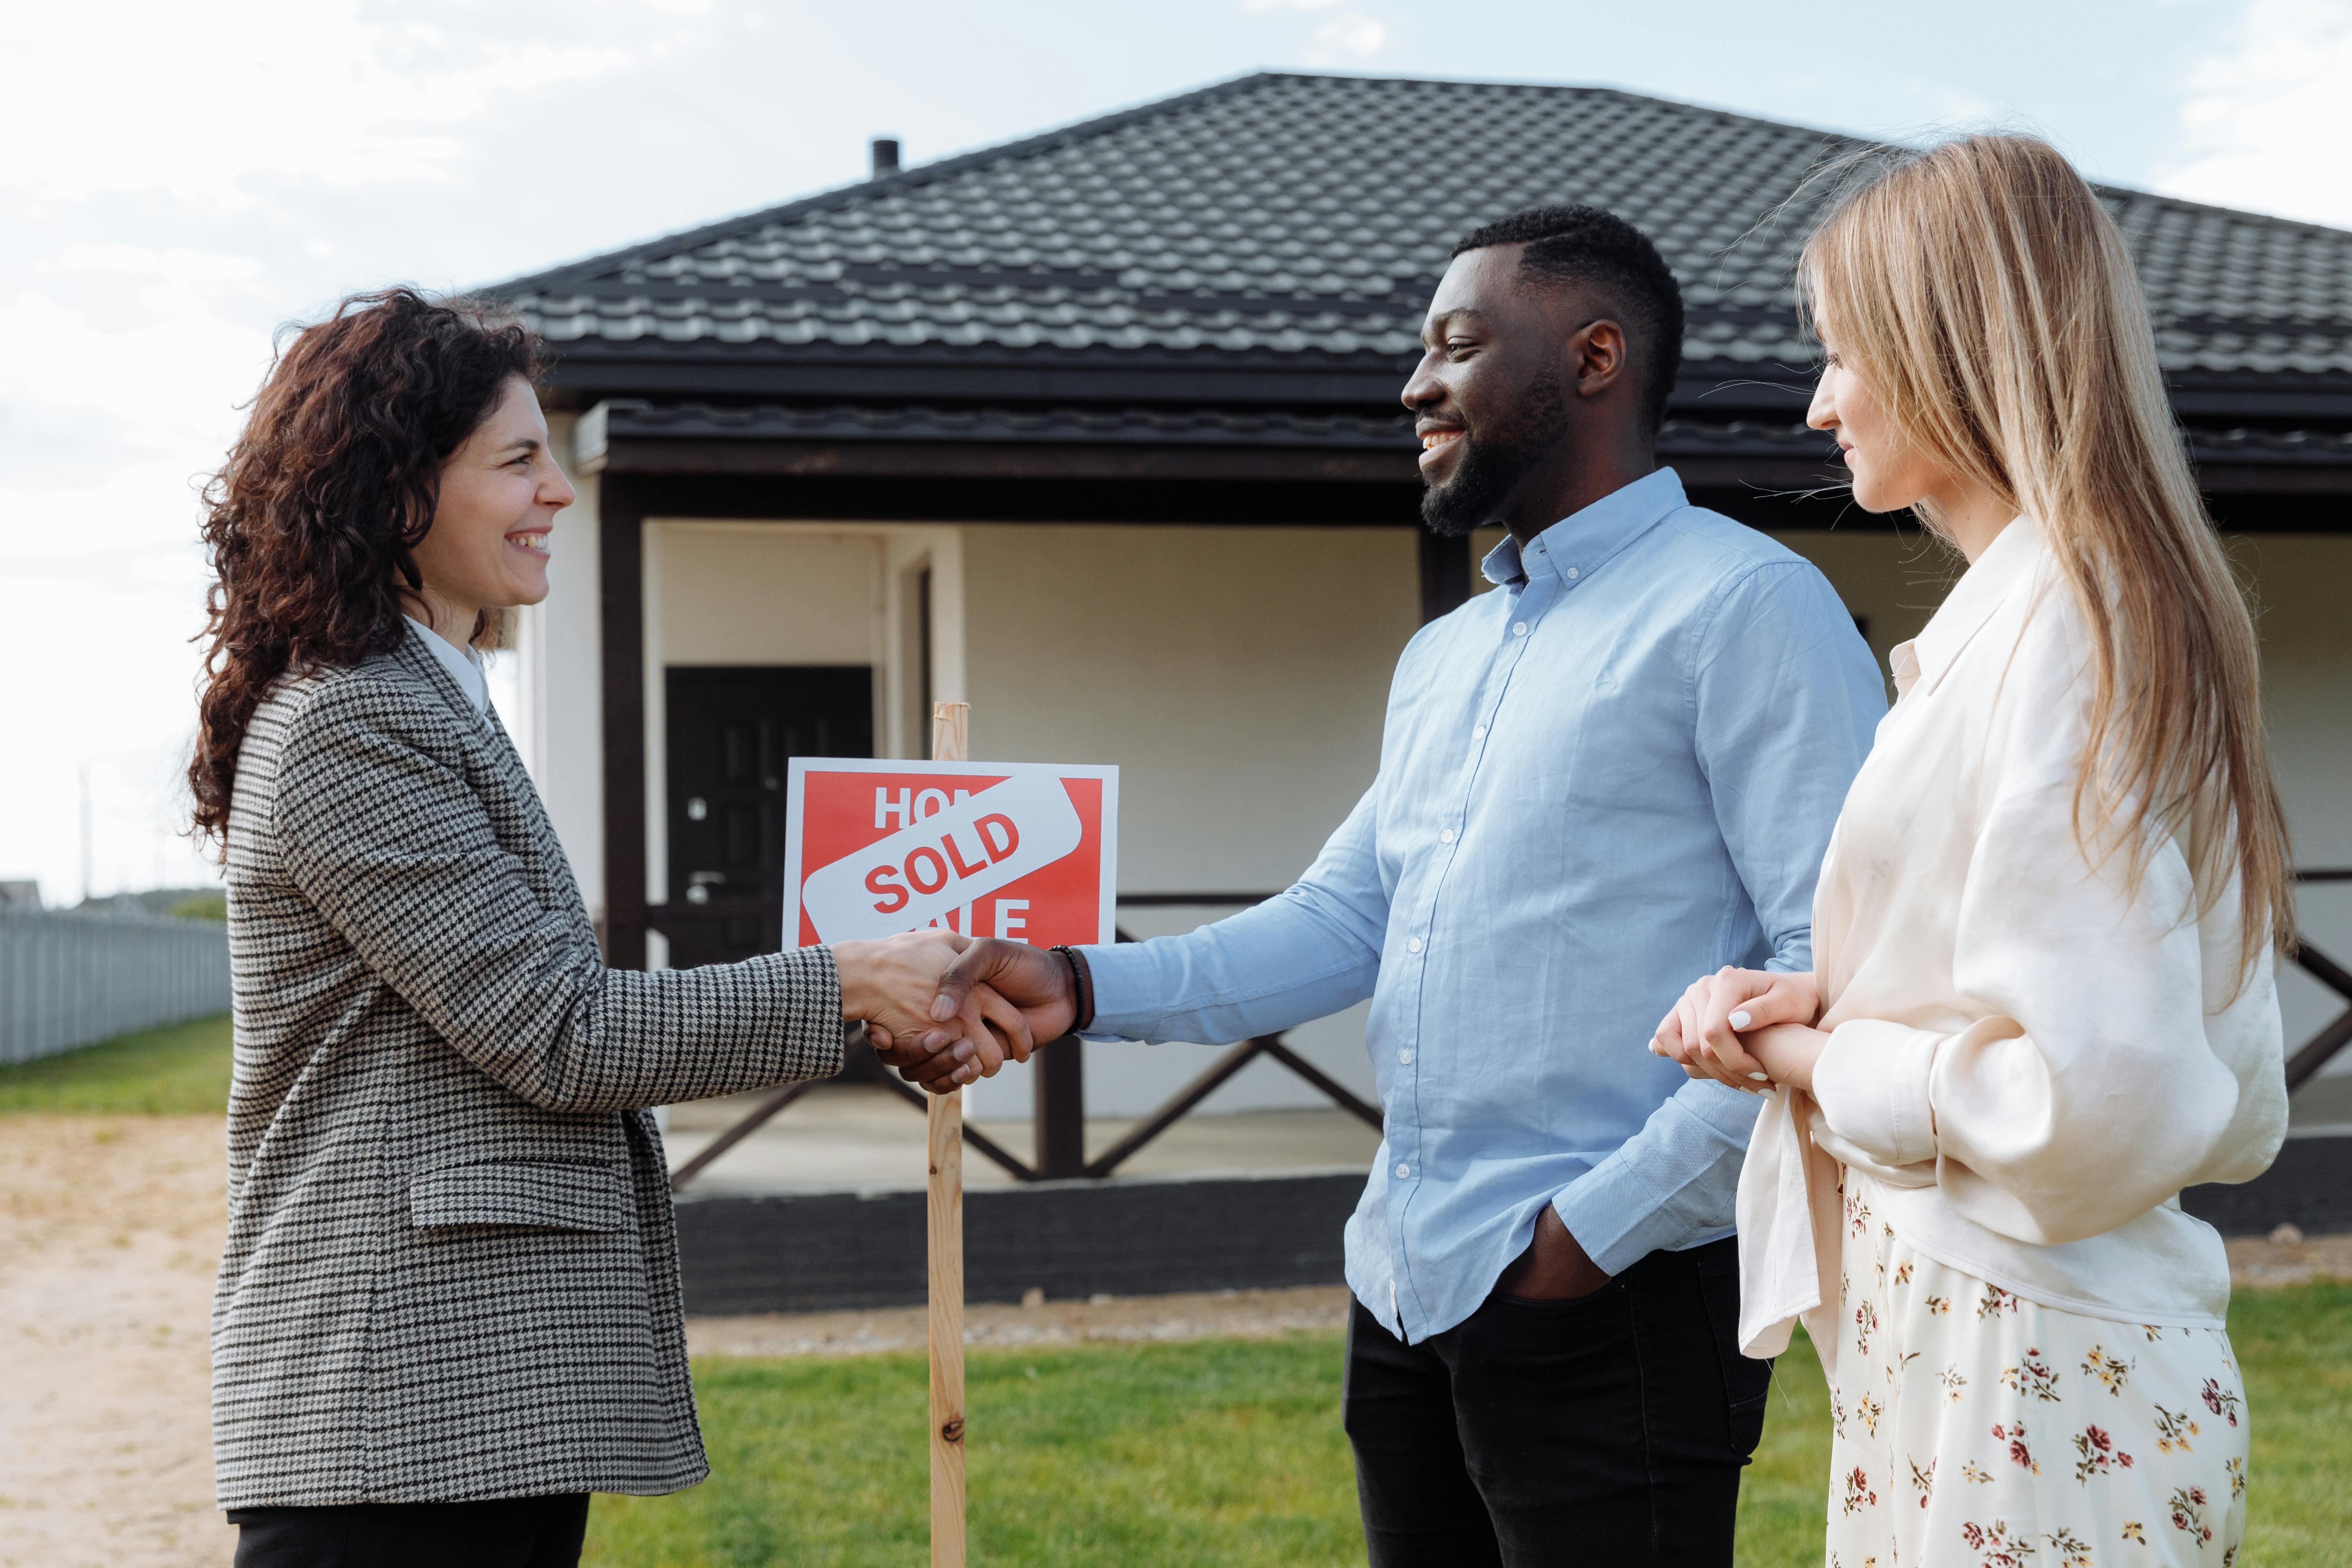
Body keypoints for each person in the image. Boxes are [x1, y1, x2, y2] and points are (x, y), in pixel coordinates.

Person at [873, 208, 1888, 1566]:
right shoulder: (1449, 655)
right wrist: (1080, 982)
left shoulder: (1750, 610)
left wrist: (1589, 1234)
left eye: (1458, 346)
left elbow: (1830, 967)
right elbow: (1344, 918)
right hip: (1407, 1291)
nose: (1416, 385)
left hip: (1615, 1298)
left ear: (1596, 358)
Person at [188, 289, 1006, 1567]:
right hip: (395, 1410)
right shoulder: (356, 721)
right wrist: (851, 977)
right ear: (397, 488)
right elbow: (564, 1031)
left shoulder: (425, 698)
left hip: (450, 1406)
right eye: (518, 460)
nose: (559, 492)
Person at [1652, 136, 2289, 1567]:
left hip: (2027, 1368)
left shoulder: (2067, 628)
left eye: (1840, 353)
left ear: (1949, 347)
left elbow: (2096, 1097)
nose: (1818, 405)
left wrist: (1808, 1061)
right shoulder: (2089, 611)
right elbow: (2205, 1074)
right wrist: (1823, 1003)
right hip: (2000, 1347)